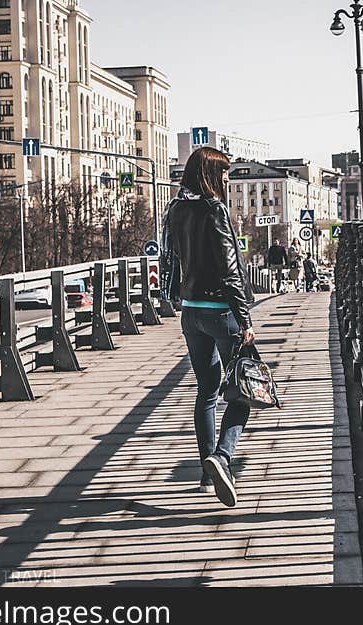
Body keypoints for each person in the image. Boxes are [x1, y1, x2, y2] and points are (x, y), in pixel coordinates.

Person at [161, 146, 255, 508]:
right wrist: (244, 319)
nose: (228, 179)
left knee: (207, 390)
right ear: (211, 175)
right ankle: (223, 457)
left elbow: (171, 259)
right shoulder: (215, 211)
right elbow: (230, 269)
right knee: (244, 392)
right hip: (221, 312)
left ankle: (206, 470)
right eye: (225, 172)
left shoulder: (176, 210)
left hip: (191, 312)